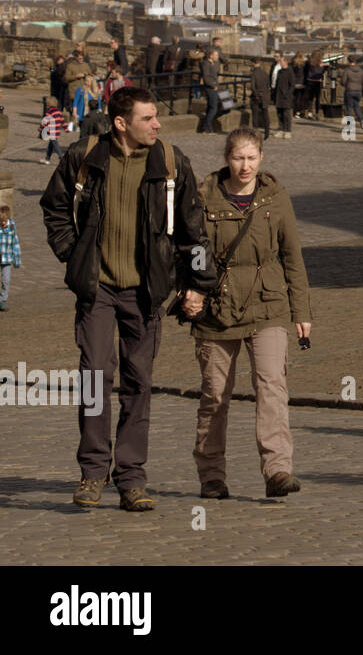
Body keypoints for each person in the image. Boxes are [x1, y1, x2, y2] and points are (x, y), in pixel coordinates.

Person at [39, 86, 217, 511]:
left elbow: (195, 231)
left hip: (146, 292)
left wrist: (197, 283)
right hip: (97, 290)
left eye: (157, 117)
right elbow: (55, 208)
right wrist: (74, 256)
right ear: (121, 123)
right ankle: (92, 473)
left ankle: (132, 479)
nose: (157, 124)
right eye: (148, 118)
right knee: (95, 379)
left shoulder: (172, 164)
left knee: (138, 385)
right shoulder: (85, 156)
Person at [191, 128, 312, 499]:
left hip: (268, 304)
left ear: (261, 157)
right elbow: (191, 250)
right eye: (238, 158)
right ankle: (212, 475)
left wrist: (301, 311)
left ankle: (278, 470)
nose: (245, 166)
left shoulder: (275, 196)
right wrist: (190, 290)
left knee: (272, 386)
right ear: (227, 158)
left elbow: (292, 254)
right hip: (217, 308)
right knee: (215, 395)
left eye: (252, 158)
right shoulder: (205, 196)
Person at [0, 205, 19, 312]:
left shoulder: (12, 225)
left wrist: (16, 258)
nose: (2, 223)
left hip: (6, 258)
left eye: (4, 221)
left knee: (6, 280)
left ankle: (3, 300)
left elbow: (15, 242)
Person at [248, 57, 272, 141]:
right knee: (265, 114)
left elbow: (252, 87)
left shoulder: (254, 73)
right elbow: (268, 85)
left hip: (257, 97)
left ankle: (255, 133)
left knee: (255, 115)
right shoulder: (265, 73)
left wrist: (256, 95)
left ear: (253, 63)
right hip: (265, 96)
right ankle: (267, 132)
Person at [200, 47, 222, 134]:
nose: (217, 56)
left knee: (213, 107)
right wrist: (213, 85)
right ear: (210, 55)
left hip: (215, 86)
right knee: (213, 107)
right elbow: (206, 77)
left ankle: (206, 126)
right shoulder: (205, 64)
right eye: (216, 55)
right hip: (210, 88)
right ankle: (208, 127)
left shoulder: (215, 63)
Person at [272, 53, 294, 138]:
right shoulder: (280, 71)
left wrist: (287, 94)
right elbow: (277, 83)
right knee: (279, 113)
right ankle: (281, 129)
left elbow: (292, 85)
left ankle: (287, 131)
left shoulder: (290, 71)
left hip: (286, 97)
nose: (280, 62)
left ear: (285, 62)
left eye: (281, 61)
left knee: (286, 114)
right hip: (278, 95)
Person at [39, 98, 67, 164]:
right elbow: (62, 120)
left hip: (51, 132)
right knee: (51, 145)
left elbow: (44, 122)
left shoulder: (49, 112)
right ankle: (47, 159)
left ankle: (61, 157)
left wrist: (40, 129)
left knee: (55, 145)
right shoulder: (58, 111)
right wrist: (66, 128)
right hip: (56, 131)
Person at [341, 53, 363, 123]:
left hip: (349, 90)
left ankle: (350, 123)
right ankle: (361, 120)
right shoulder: (361, 70)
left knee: (349, 107)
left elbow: (343, 81)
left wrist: (345, 84)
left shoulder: (347, 70)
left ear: (348, 61)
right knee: (356, 106)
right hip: (358, 91)